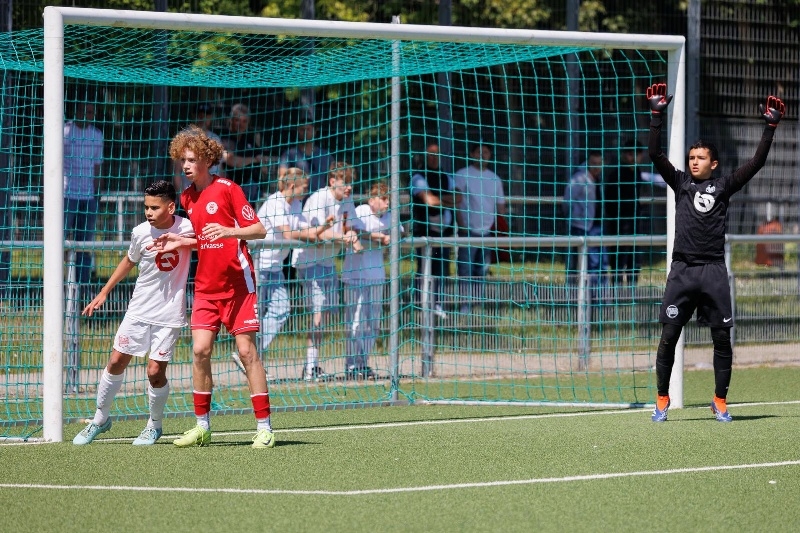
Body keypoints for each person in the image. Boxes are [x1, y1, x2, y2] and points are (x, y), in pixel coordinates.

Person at [646, 82, 784, 423]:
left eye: (700, 158)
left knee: (722, 339)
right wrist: (656, 117)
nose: (694, 162)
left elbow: (757, 162)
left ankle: (719, 400)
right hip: (682, 271)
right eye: (691, 158)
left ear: (714, 163)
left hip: (713, 272)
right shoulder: (680, 182)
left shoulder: (724, 186)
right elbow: (655, 154)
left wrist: (770, 127)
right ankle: (662, 397)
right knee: (668, 337)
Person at [153, 125, 275, 449]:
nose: (186, 165)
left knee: (246, 352)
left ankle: (264, 428)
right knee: (199, 350)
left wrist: (230, 231)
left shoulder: (228, 189)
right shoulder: (186, 197)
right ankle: (202, 426)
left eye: (192, 159)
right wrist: (181, 240)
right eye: (183, 160)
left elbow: (259, 230)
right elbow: (205, 239)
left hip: (238, 285)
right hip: (206, 288)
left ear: (207, 160)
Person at [72, 180, 194, 446]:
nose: (148, 212)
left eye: (154, 207)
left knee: (154, 371)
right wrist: (104, 292)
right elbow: (129, 260)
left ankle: (154, 425)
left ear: (171, 207)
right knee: (116, 361)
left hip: (169, 314)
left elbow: (207, 244)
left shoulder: (186, 227)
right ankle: (100, 419)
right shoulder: (140, 232)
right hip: (138, 310)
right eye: (146, 207)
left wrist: (184, 241)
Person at [254, 167, 333, 362]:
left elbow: (307, 230)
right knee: (254, 316)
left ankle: (252, 355)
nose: (306, 190)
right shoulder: (275, 203)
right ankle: (250, 355)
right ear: (291, 186)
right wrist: (312, 236)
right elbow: (288, 234)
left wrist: (323, 229)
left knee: (281, 310)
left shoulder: (296, 204)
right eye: (303, 187)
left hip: (275, 268)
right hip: (258, 267)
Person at [291, 161, 360, 381]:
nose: (349, 187)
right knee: (319, 313)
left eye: (351, 183)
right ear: (332, 181)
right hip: (309, 261)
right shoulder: (319, 198)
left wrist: (352, 234)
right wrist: (344, 237)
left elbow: (351, 225)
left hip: (328, 262)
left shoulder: (347, 199)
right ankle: (310, 368)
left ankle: (312, 364)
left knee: (328, 313)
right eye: (345, 182)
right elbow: (318, 233)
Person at [341, 181, 402, 379]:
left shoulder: (390, 216)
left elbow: (400, 232)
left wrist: (391, 236)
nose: (387, 203)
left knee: (373, 323)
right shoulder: (361, 211)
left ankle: (363, 362)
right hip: (355, 275)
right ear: (372, 200)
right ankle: (351, 365)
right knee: (356, 322)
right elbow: (355, 231)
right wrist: (380, 237)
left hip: (376, 276)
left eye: (388, 199)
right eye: (383, 199)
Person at [453, 143, 506, 315]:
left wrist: (499, 227)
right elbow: (456, 202)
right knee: (465, 269)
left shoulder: (495, 179)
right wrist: (461, 225)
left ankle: (477, 304)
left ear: (490, 155)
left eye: (486, 152)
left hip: (487, 232)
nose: (482, 155)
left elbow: (501, 206)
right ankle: (465, 305)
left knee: (481, 270)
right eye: (478, 152)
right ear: (472, 154)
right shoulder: (462, 175)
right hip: (467, 231)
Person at [410, 142, 458, 319]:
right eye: (430, 154)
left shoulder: (446, 177)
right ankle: (421, 303)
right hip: (425, 232)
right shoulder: (418, 178)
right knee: (425, 268)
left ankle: (437, 303)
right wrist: (445, 199)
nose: (433, 157)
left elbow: (459, 197)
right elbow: (428, 201)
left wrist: (438, 198)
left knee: (441, 268)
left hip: (444, 233)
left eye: (436, 154)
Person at [64, 102, 104, 285]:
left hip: (88, 197)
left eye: (91, 112)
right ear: (76, 111)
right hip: (65, 195)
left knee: (85, 244)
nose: (88, 115)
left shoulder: (97, 135)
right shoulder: (64, 131)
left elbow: (97, 166)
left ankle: (82, 286)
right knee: (60, 242)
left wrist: (97, 192)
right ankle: (59, 283)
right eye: (85, 111)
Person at [562, 150, 607, 289]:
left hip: (598, 226)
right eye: (593, 163)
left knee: (602, 263)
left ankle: (601, 296)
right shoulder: (579, 178)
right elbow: (567, 201)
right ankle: (585, 294)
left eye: (599, 164)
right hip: (583, 226)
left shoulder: (600, 179)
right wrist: (576, 217)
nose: (596, 167)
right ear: (588, 163)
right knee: (588, 263)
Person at [604, 140, 647, 287]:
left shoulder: (637, 172)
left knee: (634, 260)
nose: (633, 157)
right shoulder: (616, 173)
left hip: (634, 222)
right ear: (624, 154)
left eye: (637, 153)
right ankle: (617, 292)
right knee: (618, 259)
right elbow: (609, 200)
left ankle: (631, 291)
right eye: (630, 153)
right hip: (619, 223)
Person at [220, 103, 269, 206]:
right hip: (228, 187)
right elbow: (231, 160)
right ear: (231, 120)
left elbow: (264, 165)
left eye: (244, 121)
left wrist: (260, 160)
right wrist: (254, 160)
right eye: (237, 120)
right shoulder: (223, 137)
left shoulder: (249, 139)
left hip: (250, 189)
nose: (241, 124)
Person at [173, 104, 223, 193]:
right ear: (193, 115)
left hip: (212, 192)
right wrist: (181, 196)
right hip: (190, 193)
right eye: (199, 115)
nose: (202, 118)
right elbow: (176, 172)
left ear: (210, 117)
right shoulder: (183, 137)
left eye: (206, 115)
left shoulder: (215, 138)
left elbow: (220, 169)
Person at [278, 119, 334, 196]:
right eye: (302, 129)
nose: (305, 132)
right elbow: (282, 178)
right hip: (297, 199)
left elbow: (333, 178)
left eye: (308, 129)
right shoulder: (289, 154)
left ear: (315, 131)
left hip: (321, 200)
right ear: (298, 131)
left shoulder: (326, 155)